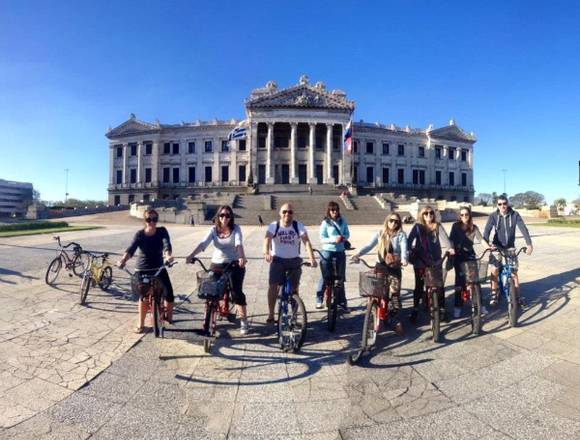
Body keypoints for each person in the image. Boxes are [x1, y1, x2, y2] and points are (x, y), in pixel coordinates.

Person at [186, 205, 249, 335]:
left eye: (227, 215)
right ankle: (209, 314)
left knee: (236, 292)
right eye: (222, 215)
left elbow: (238, 243)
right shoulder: (213, 230)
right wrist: (192, 255)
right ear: (218, 216)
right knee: (209, 289)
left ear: (231, 217)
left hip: (233, 263)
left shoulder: (236, 229)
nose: (224, 218)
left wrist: (242, 257)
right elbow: (203, 243)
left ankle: (244, 321)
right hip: (217, 263)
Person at [118, 208, 174, 334]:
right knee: (143, 297)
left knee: (169, 293)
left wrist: (168, 256)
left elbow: (166, 244)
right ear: (145, 221)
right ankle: (141, 323)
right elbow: (131, 249)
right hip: (142, 268)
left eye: (154, 219)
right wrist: (123, 260)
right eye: (149, 219)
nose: (152, 222)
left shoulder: (162, 231)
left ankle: (169, 316)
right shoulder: (140, 234)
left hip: (158, 268)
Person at [351, 212, 408, 335]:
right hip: (381, 267)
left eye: (396, 221)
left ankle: (394, 320)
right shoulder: (380, 233)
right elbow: (369, 246)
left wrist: (404, 259)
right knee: (377, 293)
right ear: (387, 221)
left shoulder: (401, 235)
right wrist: (358, 254)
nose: (393, 223)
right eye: (391, 220)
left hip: (394, 268)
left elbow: (404, 248)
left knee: (395, 296)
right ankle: (374, 313)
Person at [263, 203, 317, 324]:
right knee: (273, 286)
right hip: (277, 260)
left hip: (294, 260)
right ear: (280, 213)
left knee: (295, 289)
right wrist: (266, 252)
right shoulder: (274, 226)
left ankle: (294, 314)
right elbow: (267, 239)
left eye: (290, 212)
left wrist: (312, 258)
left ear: (293, 214)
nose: (287, 214)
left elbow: (306, 242)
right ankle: (271, 314)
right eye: (284, 212)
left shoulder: (298, 226)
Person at [483, 195, 533, 306]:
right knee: (494, 270)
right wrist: (486, 245)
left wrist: (529, 244)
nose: (502, 206)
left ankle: (518, 296)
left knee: (514, 272)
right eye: (500, 204)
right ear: (497, 205)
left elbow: (523, 229)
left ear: (508, 203)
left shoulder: (515, 215)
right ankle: (494, 294)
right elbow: (487, 231)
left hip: (510, 247)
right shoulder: (493, 216)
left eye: (504, 203)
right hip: (497, 246)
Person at [407, 206, 454, 322]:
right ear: (422, 215)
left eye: (431, 213)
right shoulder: (418, 227)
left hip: (435, 260)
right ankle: (415, 309)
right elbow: (409, 241)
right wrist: (408, 250)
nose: (429, 215)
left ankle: (442, 308)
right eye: (426, 213)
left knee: (439, 285)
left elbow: (446, 239)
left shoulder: (437, 226)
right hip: (420, 261)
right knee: (419, 285)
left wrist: (450, 248)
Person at [449, 206, 487, 318]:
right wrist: (451, 249)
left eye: (466, 214)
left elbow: (481, 240)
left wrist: (488, 247)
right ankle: (458, 306)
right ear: (459, 216)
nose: (464, 216)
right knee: (459, 282)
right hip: (458, 256)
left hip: (470, 255)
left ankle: (481, 305)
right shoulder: (455, 226)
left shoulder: (473, 227)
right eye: (462, 215)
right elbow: (451, 239)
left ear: (470, 215)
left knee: (476, 281)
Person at [315, 201, 350, 311]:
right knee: (325, 275)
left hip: (340, 250)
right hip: (328, 250)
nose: (334, 212)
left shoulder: (343, 221)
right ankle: (319, 298)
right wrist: (333, 240)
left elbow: (347, 234)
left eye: (336, 210)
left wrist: (343, 238)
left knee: (340, 277)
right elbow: (322, 238)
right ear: (329, 211)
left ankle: (341, 301)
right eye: (332, 210)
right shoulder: (325, 223)